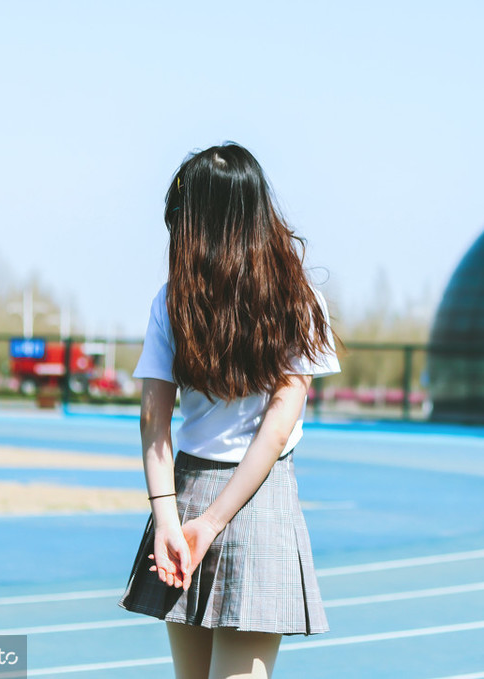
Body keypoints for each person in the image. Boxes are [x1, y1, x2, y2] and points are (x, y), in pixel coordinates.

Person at [117, 141, 341, 679]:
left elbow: (154, 422)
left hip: (187, 493)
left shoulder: (173, 299)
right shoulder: (299, 299)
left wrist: (172, 518)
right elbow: (279, 422)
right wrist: (209, 523)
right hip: (258, 498)